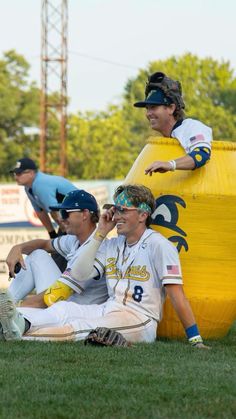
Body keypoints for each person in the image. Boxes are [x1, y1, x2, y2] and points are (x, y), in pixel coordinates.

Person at [0, 185, 208, 348]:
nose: (117, 216)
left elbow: (176, 294)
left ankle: (20, 337)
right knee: (64, 309)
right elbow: (80, 272)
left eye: (123, 211)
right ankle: (19, 323)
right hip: (108, 307)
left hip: (140, 318)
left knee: (80, 328)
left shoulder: (159, 245)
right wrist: (100, 232)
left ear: (143, 215)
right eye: (115, 210)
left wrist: (195, 338)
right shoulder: (112, 244)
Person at [5, 189, 108, 309]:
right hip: (63, 303)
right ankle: (6, 303)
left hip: (77, 315)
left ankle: (5, 307)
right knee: (37, 254)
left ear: (85, 214)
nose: (61, 218)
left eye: (65, 213)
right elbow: (44, 244)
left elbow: (53, 296)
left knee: (17, 313)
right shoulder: (74, 239)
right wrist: (18, 248)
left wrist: (12, 308)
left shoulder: (97, 248)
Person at [133, 72, 212, 175]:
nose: (148, 113)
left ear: (171, 108)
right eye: (147, 108)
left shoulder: (191, 127)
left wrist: (170, 164)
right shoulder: (168, 137)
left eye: (153, 107)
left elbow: (202, 154)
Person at [9, 157, 78, 270]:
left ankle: (60, 281)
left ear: (31, 173)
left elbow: (54, 212)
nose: (16, 176)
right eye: (15, 173)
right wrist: (52, 234)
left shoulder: (40, 184)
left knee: (59, 252)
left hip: (80, 217)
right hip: (70, 217)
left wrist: (62, 235)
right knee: (58, 250)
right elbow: (40, 212)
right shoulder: (29, 187)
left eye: (19, 173)